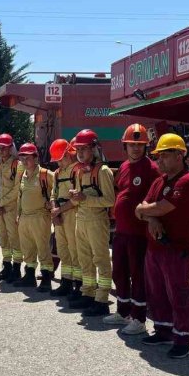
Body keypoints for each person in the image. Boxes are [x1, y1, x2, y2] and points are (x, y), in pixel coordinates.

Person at [135, 134, 189, 358]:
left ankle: (183, 338)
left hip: (176, 249)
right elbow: (141, 207)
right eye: (158, 156)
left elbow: (164, 207)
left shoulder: (187, 181)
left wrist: (148, 213)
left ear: (180, 155)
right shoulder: (159, 181)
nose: (160, 160)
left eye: (164, 155)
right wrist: (150, 218)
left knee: (178, 294)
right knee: (157, 292)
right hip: (155, 249)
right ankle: (163, 330)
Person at [106, 123, 160, 334]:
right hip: (121, 232)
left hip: (139, 234)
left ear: (146, 147)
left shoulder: (152, 169)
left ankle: (138, 318)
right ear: (125, 146)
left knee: (138, 275)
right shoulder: (125, 167)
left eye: (140, 145)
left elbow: (156, 199)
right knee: (119, 272)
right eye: (132, 145)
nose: (136, 149)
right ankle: (123, 312)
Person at [68, 129, 116, 317]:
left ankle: (102, 299)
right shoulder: (80, 171)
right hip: (82, 218)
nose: (80, 153)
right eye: (78, 149)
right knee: (85, 260)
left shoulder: (102, 171)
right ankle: (87, 293)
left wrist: (84, 198)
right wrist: (75, 198)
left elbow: (109, 200)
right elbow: (79, 198)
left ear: (94, 149)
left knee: (101, 259)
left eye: (84, 149)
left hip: (96, 221)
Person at [14, 143, 55, 290]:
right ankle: (30, 276)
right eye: (22, 158)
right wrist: (18, 215)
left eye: (28, 157)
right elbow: (20, 196)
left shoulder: (45, 174)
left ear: (36, 158)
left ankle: (46, 279)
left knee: (43, 248)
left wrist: (52, 204)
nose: (25, 161)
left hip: (40, 217)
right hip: (25, 218)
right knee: (28, 249)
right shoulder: (22, 175)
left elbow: (55, 191)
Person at [49, 138, 80, 298]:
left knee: (75, 250)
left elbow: (76, 199)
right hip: (60, 214)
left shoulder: (77, 171)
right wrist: (55, 210)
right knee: (63, 249)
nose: (59, 164)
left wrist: (59, 210)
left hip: (73, 214)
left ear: (69, 154)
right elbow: (53, 193)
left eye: (61, 160)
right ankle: (66, 282)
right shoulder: (57, 173)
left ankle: (79, 285)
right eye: (57, 161)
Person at [0, 133, 24, 283]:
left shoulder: (18, 165)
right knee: (3, 238)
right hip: (0, 208)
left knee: (14, 239)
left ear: (11, 148)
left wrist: (1, 203)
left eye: (4, 148)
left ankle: (17, 269)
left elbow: (17, 188)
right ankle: (7, 265)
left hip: (11, 208)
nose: (1, 151)